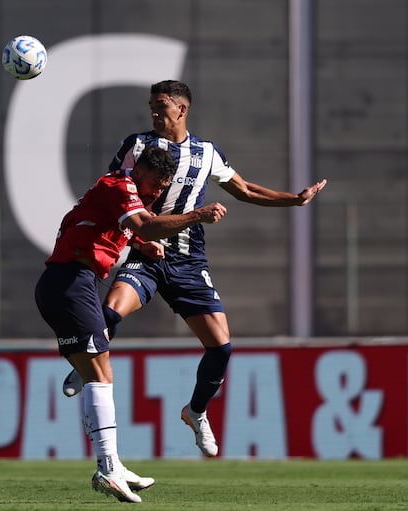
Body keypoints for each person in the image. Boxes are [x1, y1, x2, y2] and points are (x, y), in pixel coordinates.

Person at [62, 80, 327, 458]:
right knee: (110, 312)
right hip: (143, 252)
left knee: (221, 347)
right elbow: (112, 195)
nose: (153, 111)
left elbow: (245, 190)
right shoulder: (136, 145)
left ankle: (196, 412)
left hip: (188, 261)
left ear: (181, 109)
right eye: (151, 105)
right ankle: (85, 363)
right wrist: (137, 239)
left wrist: (294, 201)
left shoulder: (206, 153)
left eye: (160, 105)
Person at [35, 145, 227, 503]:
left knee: (101, 374)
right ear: (139, 171)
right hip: (69, 283)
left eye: (163, 186)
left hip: (73, 283)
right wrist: (195, 215)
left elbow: (121, 225)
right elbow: (144, 224)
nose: (156, 192)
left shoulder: (123, 194)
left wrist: (140, 242)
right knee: (99, 377)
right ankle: (108, 467)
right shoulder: (120, 186)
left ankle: (113, 465)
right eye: (155, 183)